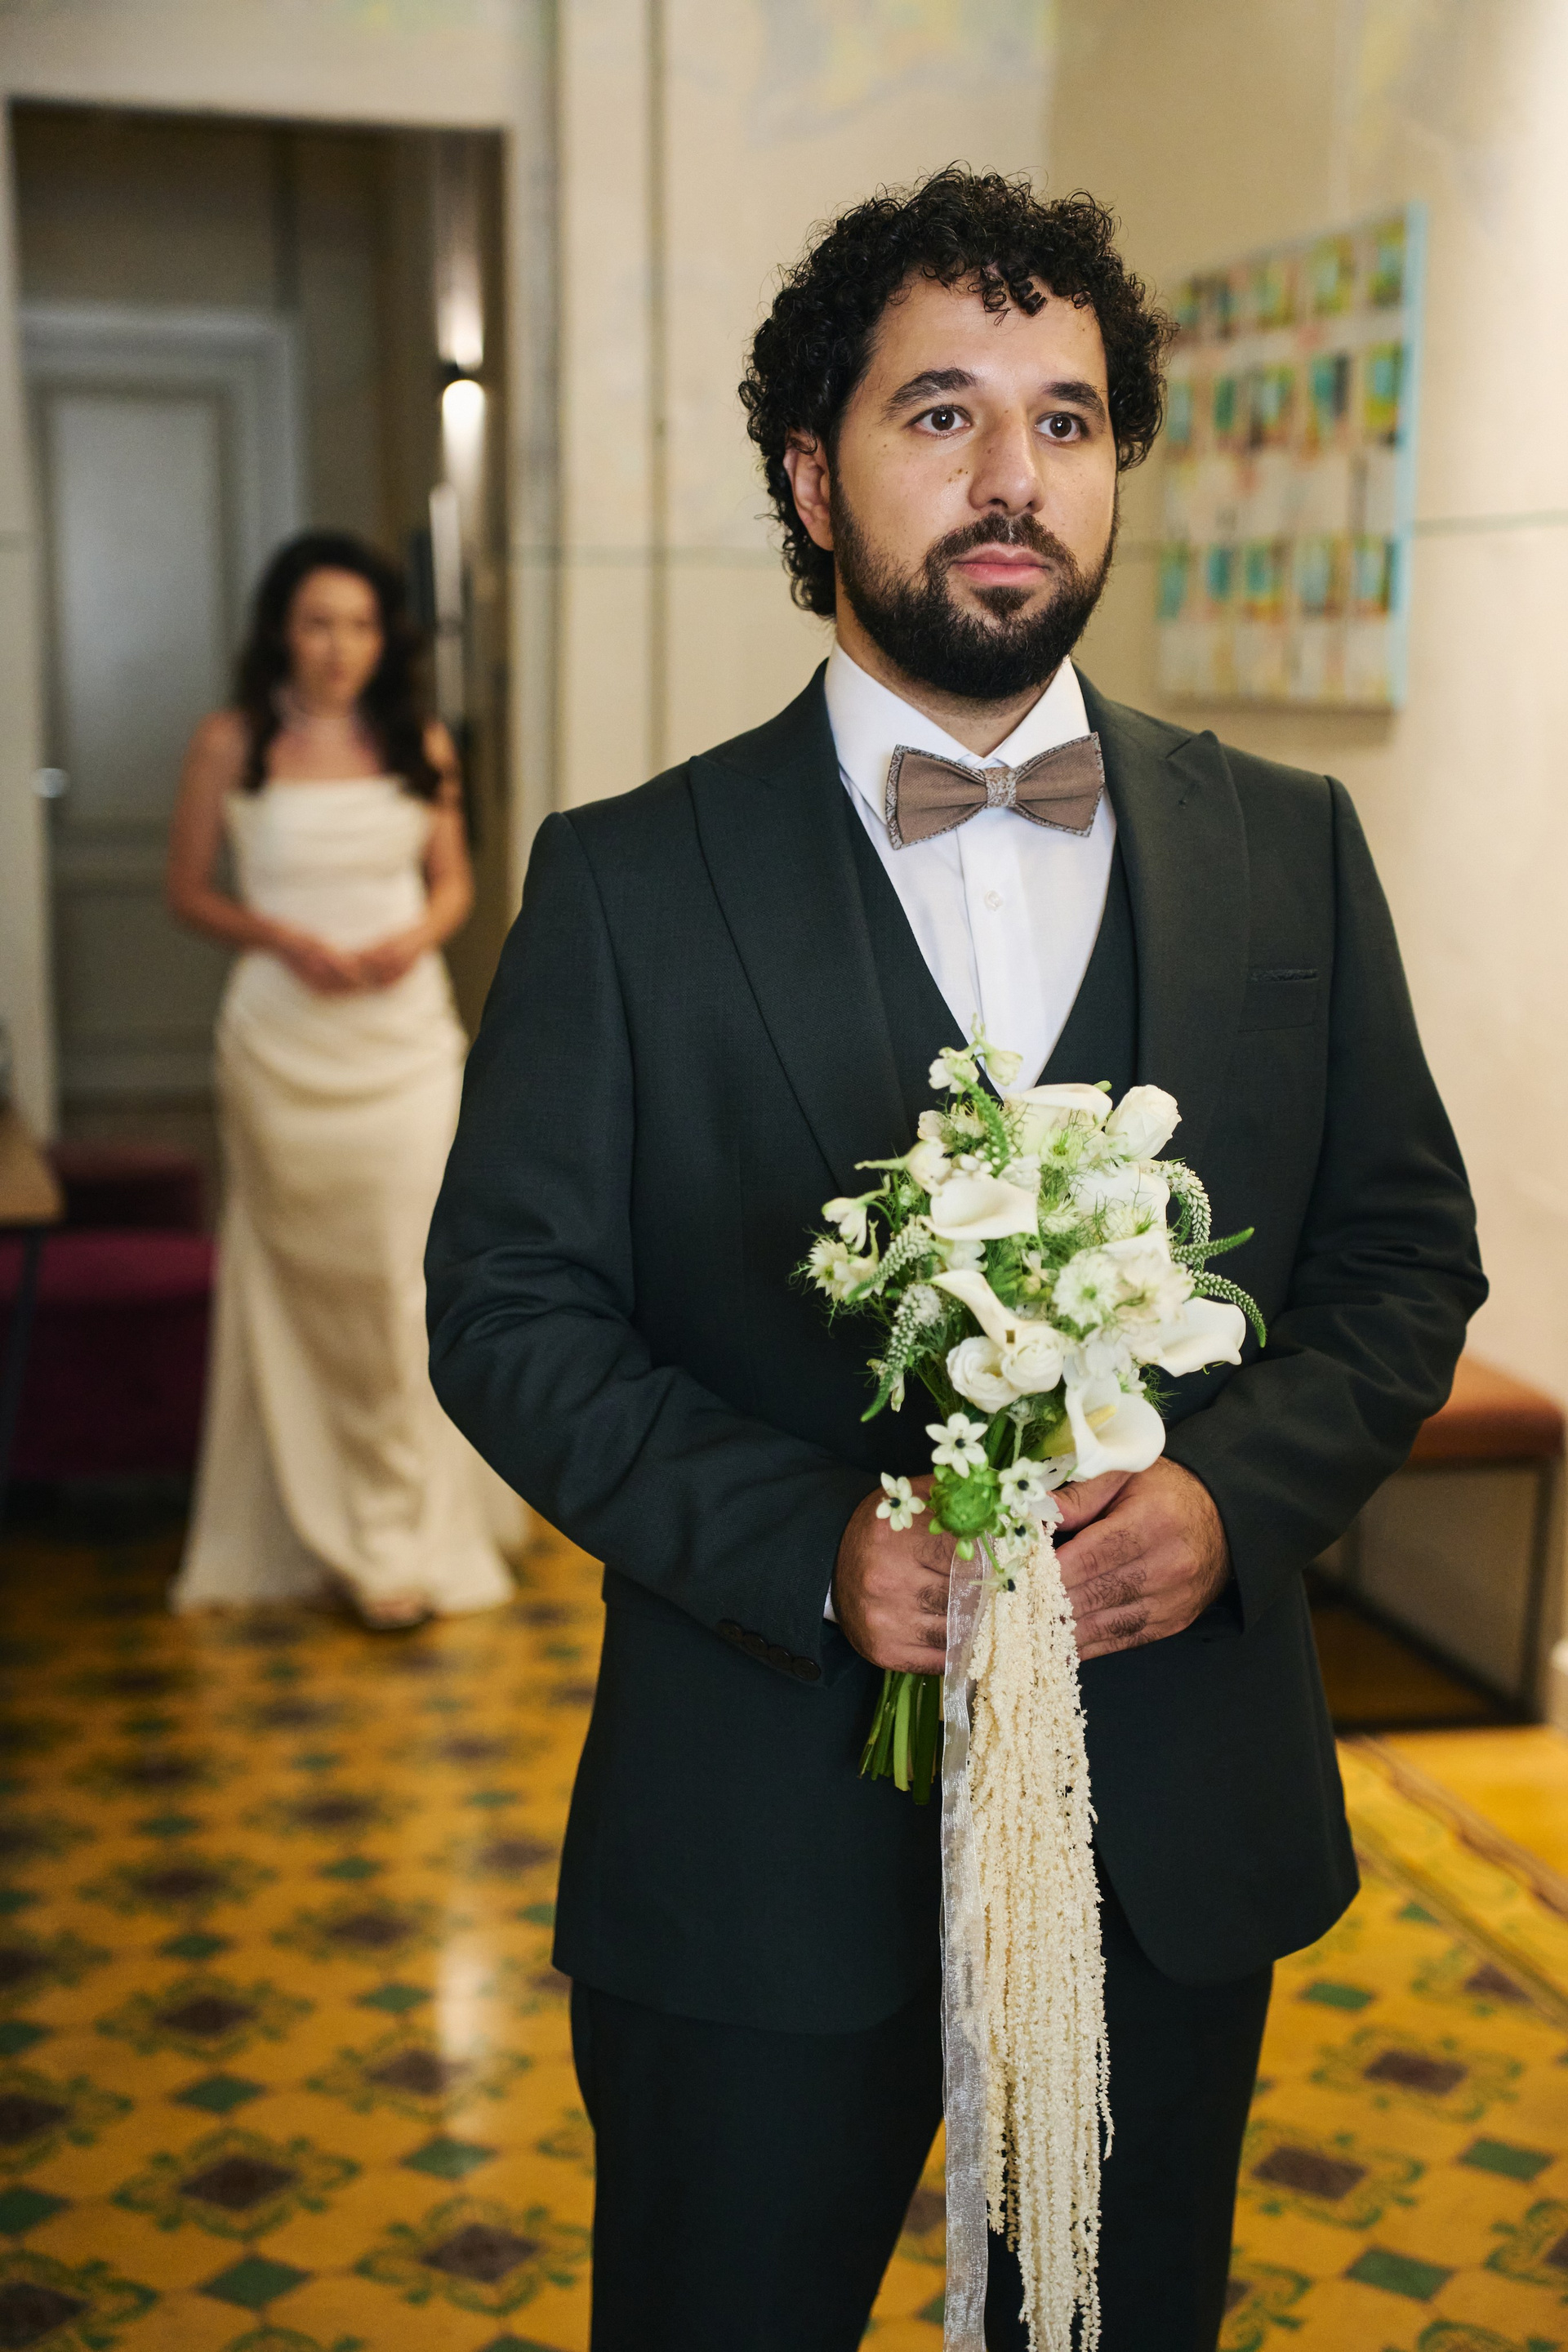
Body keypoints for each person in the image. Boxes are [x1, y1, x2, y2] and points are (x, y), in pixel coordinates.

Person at [425, 172, 1484, 2350]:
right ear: (814, 478)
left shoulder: (1291, 851)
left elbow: (1403, 1257)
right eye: (943, 414)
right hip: (754, 1845)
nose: (1016, 475)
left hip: (1164, 1836)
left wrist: (1232, 1503)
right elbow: (509, 1311)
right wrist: (809, 1547)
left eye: (1067, 421)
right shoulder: (625, 881)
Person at [167, 530, 518, 1628]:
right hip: (281, 1049)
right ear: (282, 630)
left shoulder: (419, 740)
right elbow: (188, 888)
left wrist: (411, 939)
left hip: (403, 1046)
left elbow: (456, 883)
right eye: (318, 623)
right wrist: (283, 938)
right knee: (299, 1280)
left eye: (360, 625)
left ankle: (404, 1534)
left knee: (401, 1281)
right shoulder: (230, 741)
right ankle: (315, 1526)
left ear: (384, 637)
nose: (338, 646)